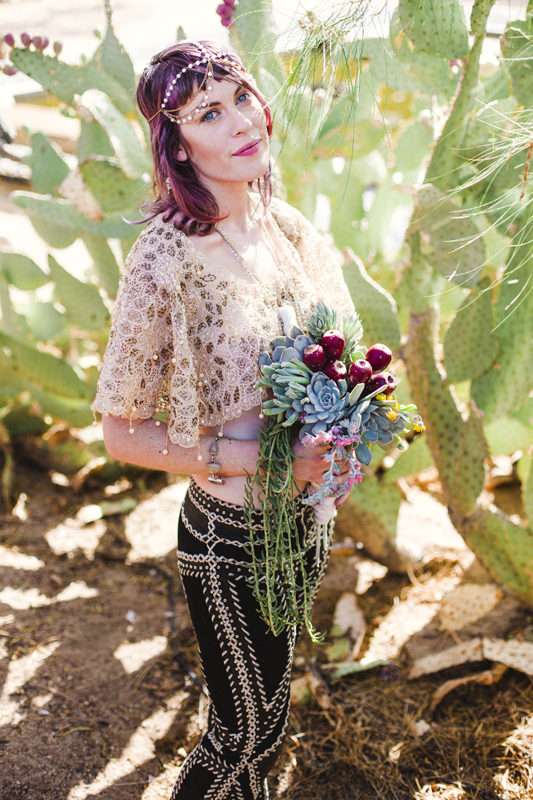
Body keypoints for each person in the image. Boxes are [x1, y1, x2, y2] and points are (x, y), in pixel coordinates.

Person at [93, 40, 355, 800]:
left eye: (240, 96)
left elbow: (333, 361)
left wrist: (344, 439)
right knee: (240, 732)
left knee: (269, 730)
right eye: (209, 113)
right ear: (177, 145)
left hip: (304, 522)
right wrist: (268, 464)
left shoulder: (288, 228)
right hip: (231, 537)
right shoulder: (164, 259)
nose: (241, 121)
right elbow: (121, 433)